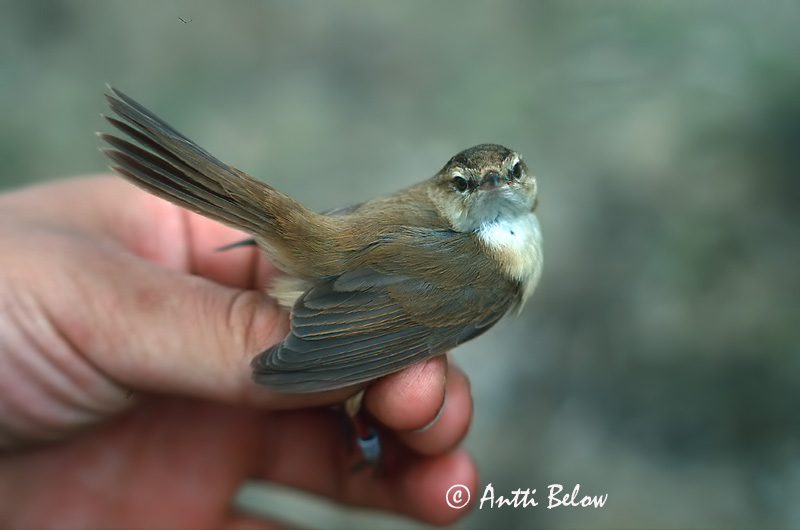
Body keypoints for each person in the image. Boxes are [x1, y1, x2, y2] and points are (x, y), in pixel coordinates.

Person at [0, 176, 477, 528]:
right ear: (445, 190)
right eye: (465, 183)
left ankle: (358, 422)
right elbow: (385, 325)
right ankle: (358, 423)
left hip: (342, 262)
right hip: (340, 278)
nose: (492, 184)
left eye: (510, 173)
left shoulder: (470, 252)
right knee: (403, 393)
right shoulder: (488, 271)